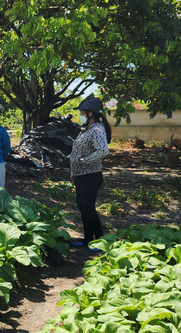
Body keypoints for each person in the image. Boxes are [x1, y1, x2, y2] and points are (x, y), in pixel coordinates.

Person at [70, 97, 111, 252]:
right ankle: (88, 239)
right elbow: (76, 152)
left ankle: (100, 241)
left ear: (90, 113)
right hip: (80, 176)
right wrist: (74, 172)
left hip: (91, 175)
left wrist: (85, 160)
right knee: (82, 207)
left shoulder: (98, 130)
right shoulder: (85, 129)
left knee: (88, 208)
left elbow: (103, 151)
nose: (80, 114)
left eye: (82, 112)